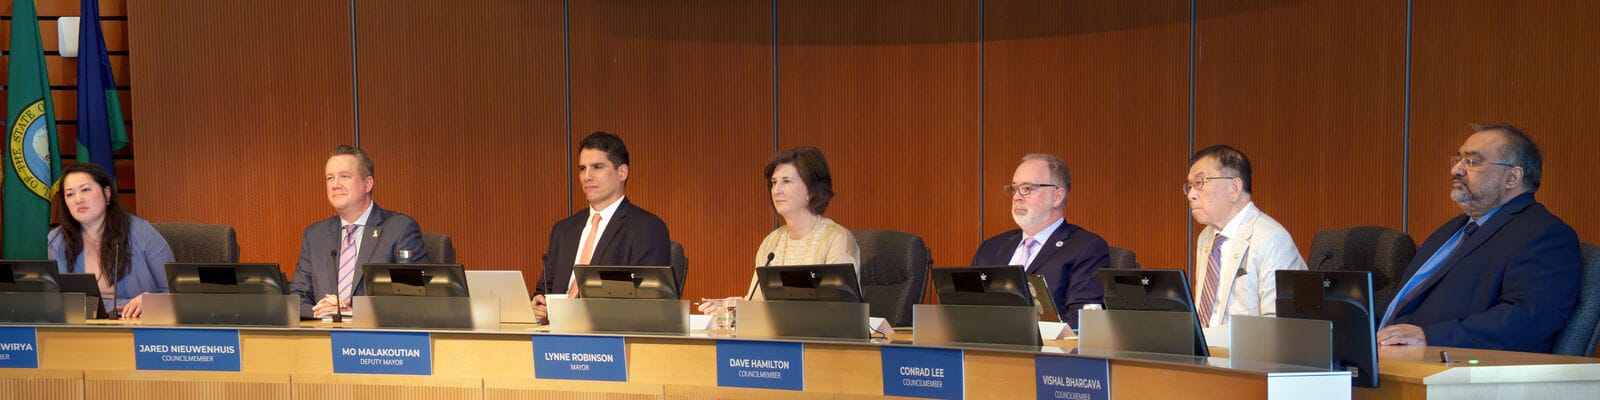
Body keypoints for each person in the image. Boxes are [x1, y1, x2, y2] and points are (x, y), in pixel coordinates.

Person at [1377, 124, 1579, 353]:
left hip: (1452, 369)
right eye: (1457, 159)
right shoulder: (1451, 231)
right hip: (1384, 358)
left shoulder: (1545, 234)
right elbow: (1405, 301)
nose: (1456, 170)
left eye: (1472, 162)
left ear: (1512, 177)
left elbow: (1529, 319)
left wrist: (1428, 336)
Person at [697, 147, 860, 315]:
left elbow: (841, 311)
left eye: (786, 181)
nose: (776, 190)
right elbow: (757, 304)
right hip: (776, 337)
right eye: (774, 182)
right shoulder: (771, 242)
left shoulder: (836, 239)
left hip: (821, 338)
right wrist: (731, 309)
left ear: (811, 191)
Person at [532, 132, 672, 322]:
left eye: (597, 167)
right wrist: (538, 304)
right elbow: (545, 289)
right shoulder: (563, 230)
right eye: (582, 168)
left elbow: (649, 302)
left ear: (622, 172)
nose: (586, 177)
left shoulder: (647, 228)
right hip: (556, 333)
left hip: (610, 336)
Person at [289, 145, 430, 319]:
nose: (335, 185)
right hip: (323, 336)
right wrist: (323, 311)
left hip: (378, 341)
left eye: (345, 177)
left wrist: (353, 314)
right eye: (330, 178)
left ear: (368, 184)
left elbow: (414, 297)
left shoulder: (399, 229)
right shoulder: (315, 235)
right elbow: (296, 298)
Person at [971, 154, 1106, 328]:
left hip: (1046, 353)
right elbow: (967, 311)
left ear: (1057, 197)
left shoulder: (1085, 248)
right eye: (1014, 188)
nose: (1017, 197)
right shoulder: (990, 248)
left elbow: (1081, 322)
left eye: (1027, 188)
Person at [1183, 145, 1307, 328]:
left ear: (1234, 188)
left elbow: (1279, 326)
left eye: (1200, 183)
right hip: (1209, 351)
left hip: (1250, 354)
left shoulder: (1271, 238)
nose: (1191, 195)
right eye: (1189, 186)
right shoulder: (1206, 237)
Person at [47, 163, 174, 319]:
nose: (78, 199)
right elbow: (63, 300)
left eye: (85, 190)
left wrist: (150, 301)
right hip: (88, 327)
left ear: (106, 193)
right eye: (70, 194)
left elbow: (176, 293)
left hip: (138, 324)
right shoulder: (58, 240)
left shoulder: (142, 233)